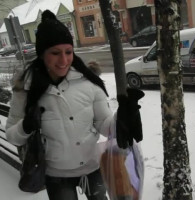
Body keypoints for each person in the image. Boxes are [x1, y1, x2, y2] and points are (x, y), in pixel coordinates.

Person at [5, 10, 144, 200]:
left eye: (68, 52)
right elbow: (12, 136)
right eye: (55, 53)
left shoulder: (88, 81)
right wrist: (26, 126)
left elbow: (104, 124)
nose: (63, 61)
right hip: (57, 175)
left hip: (93, 167)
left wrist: (124, 116)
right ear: (42, 54)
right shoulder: (27, 89)